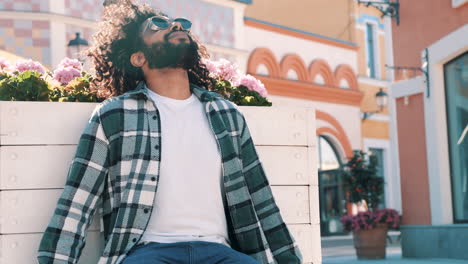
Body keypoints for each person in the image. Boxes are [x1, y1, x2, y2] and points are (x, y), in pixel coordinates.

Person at [36, 1, 303, 264]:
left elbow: (260, 196)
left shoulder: (226, 115)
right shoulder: (115, 115)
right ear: (138, 57)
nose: (175, 25)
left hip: (218, 251)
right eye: (158, 26)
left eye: (180, 24)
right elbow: (77, 201)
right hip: (147, 252)